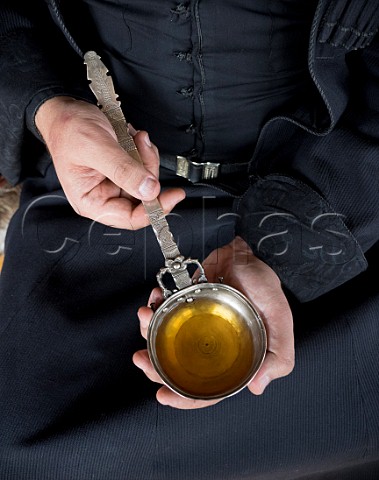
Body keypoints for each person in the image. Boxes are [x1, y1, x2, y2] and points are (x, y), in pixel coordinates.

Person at [0, 0, 378, 478]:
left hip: (337, 187)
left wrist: (286, 249)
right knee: (19, 442)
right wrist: (50, 110)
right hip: (102, 188)